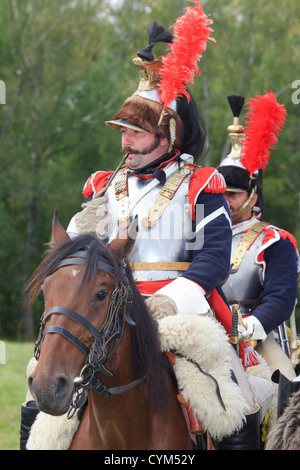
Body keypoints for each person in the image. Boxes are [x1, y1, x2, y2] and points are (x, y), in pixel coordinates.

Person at [218, 92, 300, 379]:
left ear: (253, 196)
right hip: (201, 333)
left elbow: (280, 298)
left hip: (257, 337)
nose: (225, 201)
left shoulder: (275, 241)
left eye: (233, 194)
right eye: (219, 194)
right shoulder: (195, 235)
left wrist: (247, 329)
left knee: (283, 393)